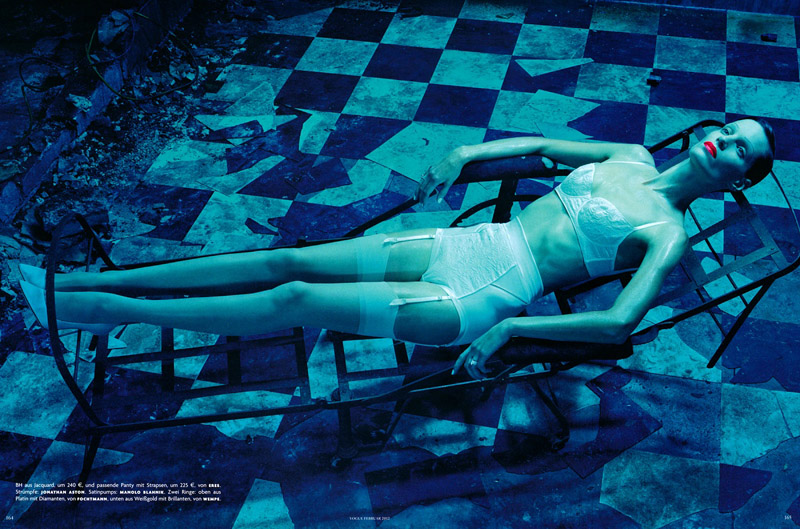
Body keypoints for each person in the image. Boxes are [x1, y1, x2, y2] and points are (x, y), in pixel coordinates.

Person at [18, 118, 775, 380]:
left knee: (295, 298)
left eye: (743, 149)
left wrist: (512, 328)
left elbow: (617, 325)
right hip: (470, 240)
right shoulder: (631, 156)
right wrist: (468, 151)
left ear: (738, 179)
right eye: (729, 129)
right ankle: (84, 286)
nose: (726, 140)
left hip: (481, 295)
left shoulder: (667, 233)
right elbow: (545, 145)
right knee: (290, 259)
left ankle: (97, 309)